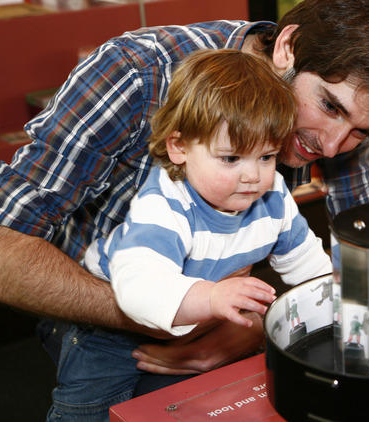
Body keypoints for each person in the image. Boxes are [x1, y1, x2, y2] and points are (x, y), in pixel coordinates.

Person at [0, 0, 369, 403]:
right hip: (100, 314)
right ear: (287, 48)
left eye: (361, 131)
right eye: (329, 106)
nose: (334, 144)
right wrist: (177, 313)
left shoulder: (344, 123)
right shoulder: (136, 74)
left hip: (232, 304)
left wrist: (256, 325)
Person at [45, 49, 331, 420]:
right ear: (179, 147)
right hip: (111, 334)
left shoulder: (272, 194)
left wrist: (330, 303)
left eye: (266, 156)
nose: (252, 176)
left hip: (196, 318)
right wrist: (212, 296)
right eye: (231, 158)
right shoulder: (164, 206)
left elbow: (307, 262)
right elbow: (140, 289)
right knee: (90, 411)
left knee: (185, 405)